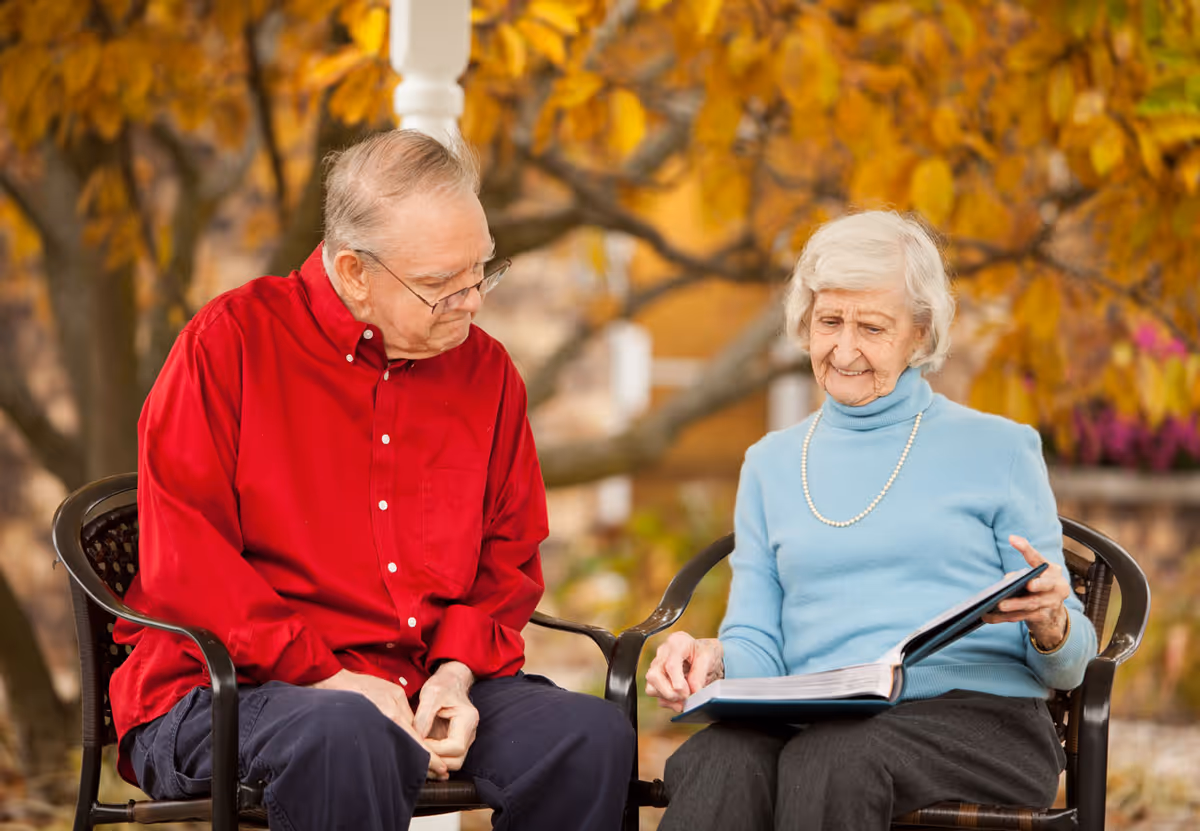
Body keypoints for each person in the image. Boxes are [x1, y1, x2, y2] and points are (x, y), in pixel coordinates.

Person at [112, 129, 634, 831]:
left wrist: (454, 673)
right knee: (347, 733)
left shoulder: (487, 374)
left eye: (481, 272)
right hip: (228, 690)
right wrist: (330, 678)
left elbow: (506, 559)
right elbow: (190, 563)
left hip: (416, 681)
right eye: (441, 287)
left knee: (588, 738)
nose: (473, 302)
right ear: (355, 272)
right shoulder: (229, 343)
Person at [644, 211, 1098, 831]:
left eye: (873, 327)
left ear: (920, 332)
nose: (845, 349)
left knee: (833, 759)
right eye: (829, 321)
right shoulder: (770, 464)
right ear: (805, 323)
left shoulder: (1000, 449)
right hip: (822, 717)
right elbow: (759, 645)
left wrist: (1049, 621)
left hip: (978, 721)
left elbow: (1070, 664)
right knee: (719, 759)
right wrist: (713, 658)